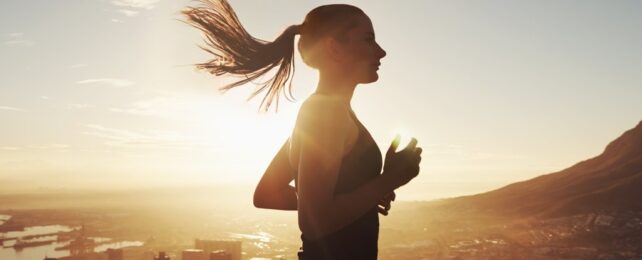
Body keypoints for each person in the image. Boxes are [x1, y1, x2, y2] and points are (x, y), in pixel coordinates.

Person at [183, 1, 423, 259]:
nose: (381, 52)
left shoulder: (325, 111)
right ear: (334, 48)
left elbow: (268, 193)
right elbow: (313, 220)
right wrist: (387, 180)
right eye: (369, 40)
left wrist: (361, 197)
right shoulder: (325, 114)